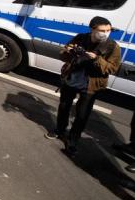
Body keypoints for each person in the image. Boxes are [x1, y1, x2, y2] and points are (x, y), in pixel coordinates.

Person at [46, 16, 120, 156]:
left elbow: (112, 68)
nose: (105, 33)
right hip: (73, 77)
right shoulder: (81, 38)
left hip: (91, 84)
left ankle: (73, 140)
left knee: (82, 115)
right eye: (102, 30)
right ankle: (60, 130)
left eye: (108, 30)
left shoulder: (112, 46)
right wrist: (69, 52)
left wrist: (96, 59)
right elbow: (63, 53)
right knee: (64, 106)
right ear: (92, 30)